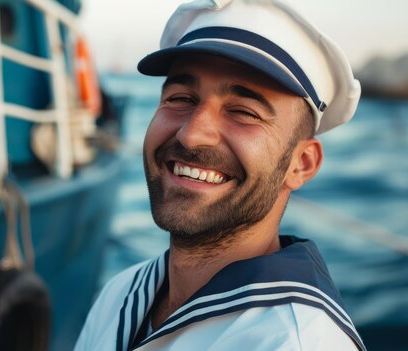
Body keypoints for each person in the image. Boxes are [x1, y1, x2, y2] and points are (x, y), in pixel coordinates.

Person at [75, 0, 365, 350]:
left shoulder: (296, 342)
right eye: (180, 98)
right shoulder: (122, 292)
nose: (191, 134)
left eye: (243, 112)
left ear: (301, 164)